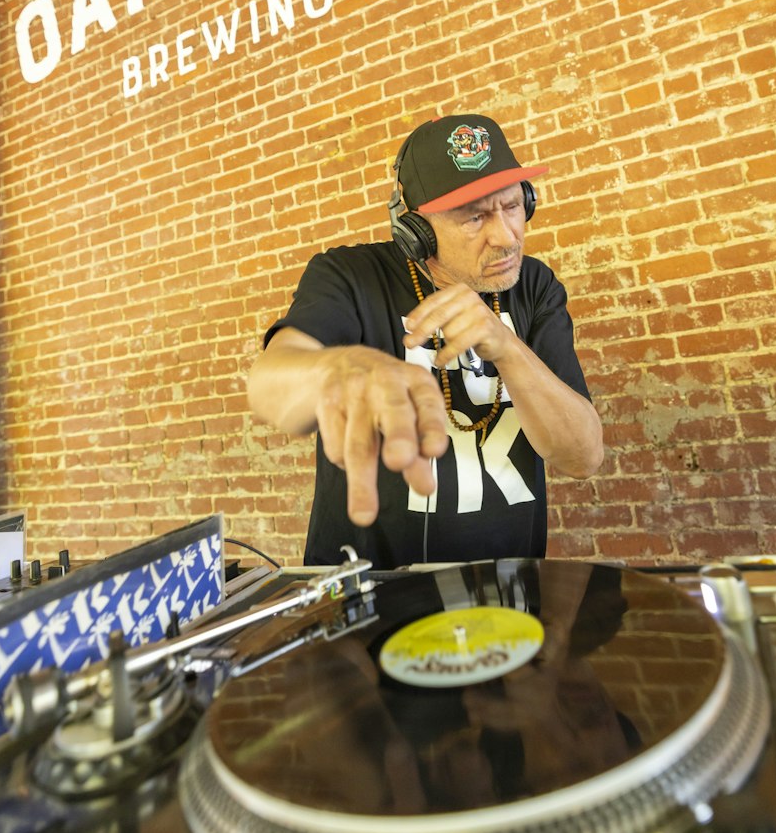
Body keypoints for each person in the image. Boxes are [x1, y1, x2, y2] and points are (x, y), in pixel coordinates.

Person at [244, 114, 603, 568]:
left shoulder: (534, 286)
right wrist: (332, 371)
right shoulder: (350, 276)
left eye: (512, 206)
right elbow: (268, 384)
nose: (505, 237)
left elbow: (583, 456)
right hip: (367, 603)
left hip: (508, 602)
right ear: (415, 232)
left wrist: (506, 347)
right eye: (474, 217)